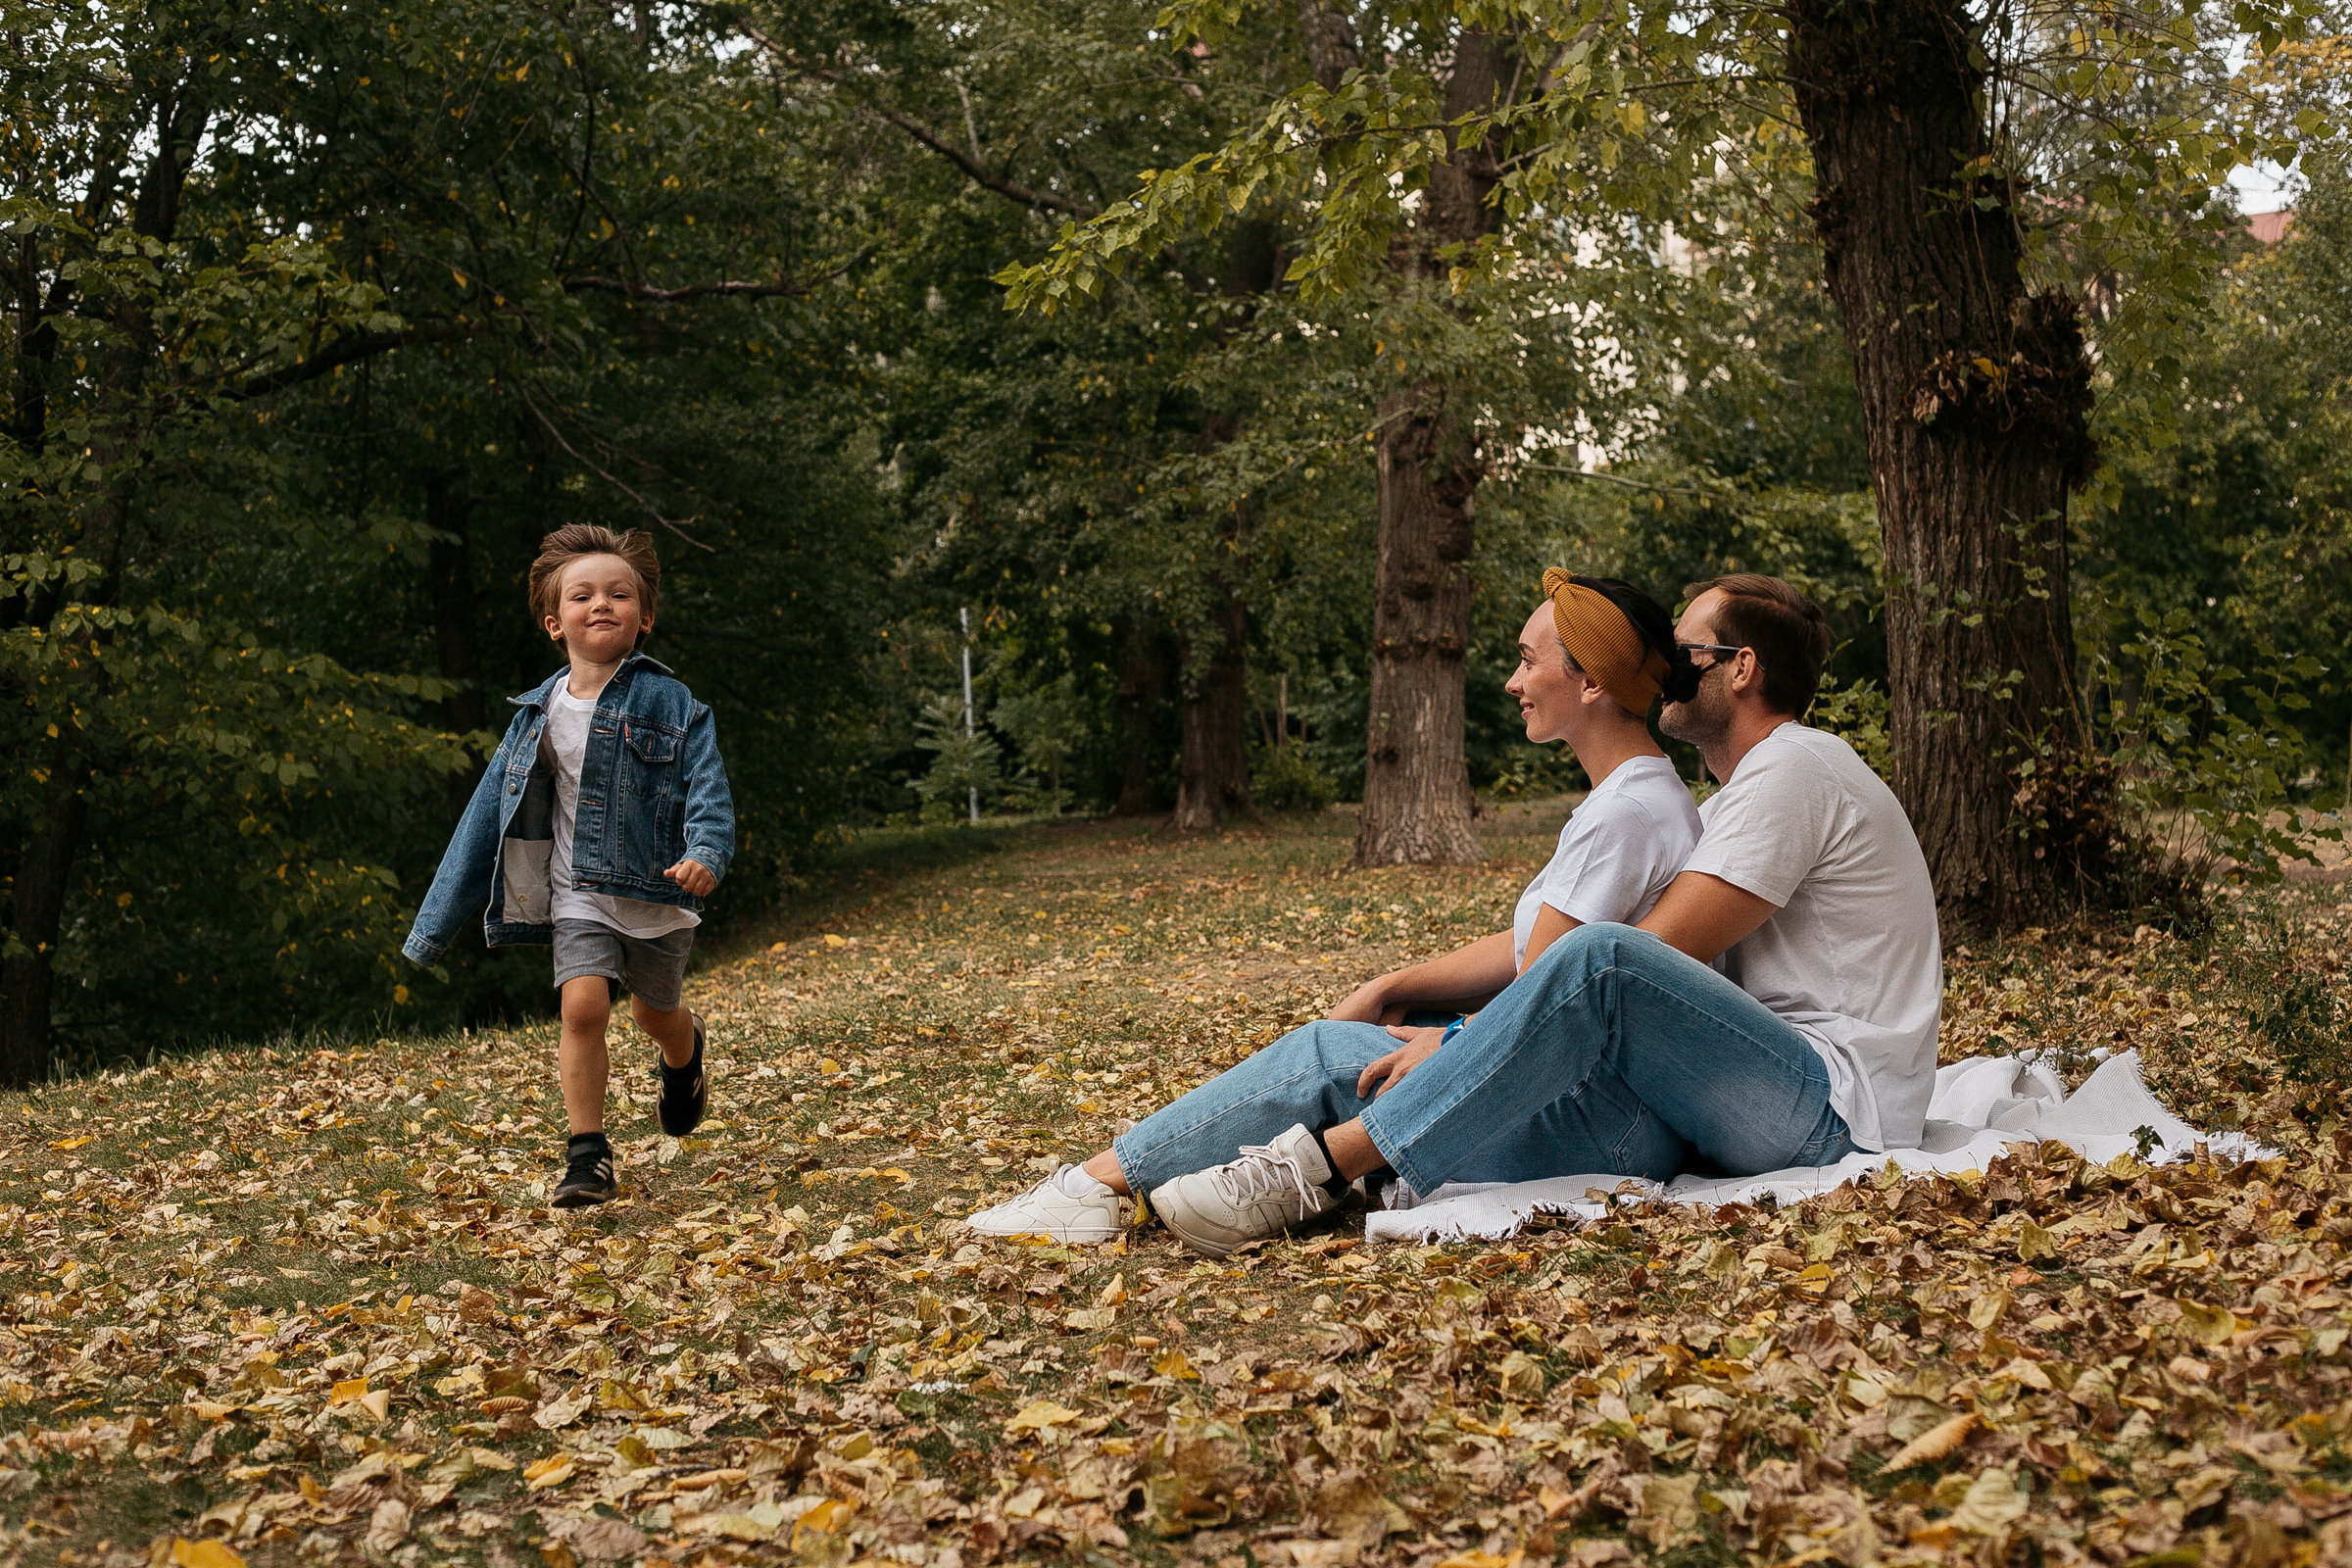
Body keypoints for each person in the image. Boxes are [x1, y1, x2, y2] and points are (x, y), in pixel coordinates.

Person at [967, 571, 1706, 1247]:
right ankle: (1180, 1175)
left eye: (1527, 660)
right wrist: (1394, 987)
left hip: (1600, 1126)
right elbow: (1533, 949)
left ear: (1591, 683)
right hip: (1606, 1110)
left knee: (1326, 1058)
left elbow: (1535, 1004)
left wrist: (1448, 1039)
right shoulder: (1638, 797)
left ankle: (1095, 1188)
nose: (1514, 681)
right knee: (1380, 1031)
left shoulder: (1625, 815)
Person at [403, 524, 736, 1209]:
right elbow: (483, 819)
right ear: (555, 624)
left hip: (656, 891)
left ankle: (684, 1054)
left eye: (620, 594)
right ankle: (588, 1156)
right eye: (582, 596)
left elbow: (708, 788)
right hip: (576, 890)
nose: (602, 604)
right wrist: (435, 926)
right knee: (582, 1008)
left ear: (645, 616)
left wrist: (705, 853)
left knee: (654, 1015)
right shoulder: (536, 716)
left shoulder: (674, 704)